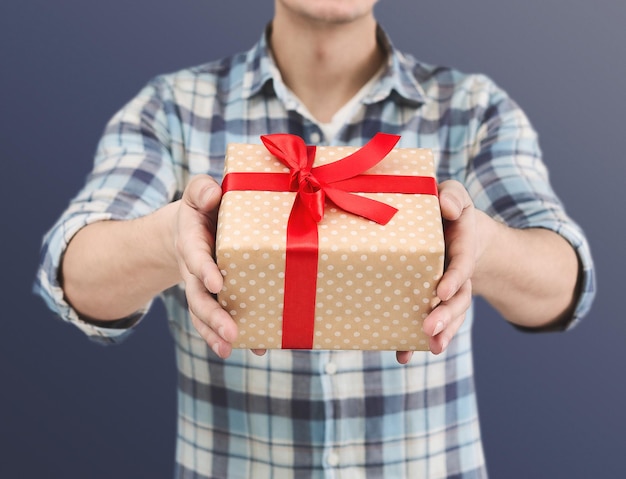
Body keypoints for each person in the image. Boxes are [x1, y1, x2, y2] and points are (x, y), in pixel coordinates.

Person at [34, 1, 595, 477]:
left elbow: (563, 284)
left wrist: (485, 249)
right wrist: (167, 240)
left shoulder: (473, 108)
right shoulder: (173, 108)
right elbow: (74, 275)